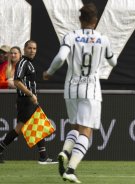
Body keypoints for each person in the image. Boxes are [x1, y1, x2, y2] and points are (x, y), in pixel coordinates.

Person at [43, 3, 117, 183]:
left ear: (80, 19)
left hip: (71, 87)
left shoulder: (70, 36)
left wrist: (49, 72)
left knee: (76, 126)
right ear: (96, 20)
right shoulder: (103, 39)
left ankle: (65, 151)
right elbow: (113, 62)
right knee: (86, 130)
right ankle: (71, 169)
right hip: (91, 89)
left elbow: (61, 57)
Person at [0, 40, 57, 164]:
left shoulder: (29, 64)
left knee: (36, 124)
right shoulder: (24, 63)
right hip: (26, 101)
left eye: (34, 48)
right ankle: (43, 157)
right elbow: (16, 82)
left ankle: (43, 156)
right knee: (21, 128)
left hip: (27, 100)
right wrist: (30, 94)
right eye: (30, 48)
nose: (32, 51)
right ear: (24, 49)